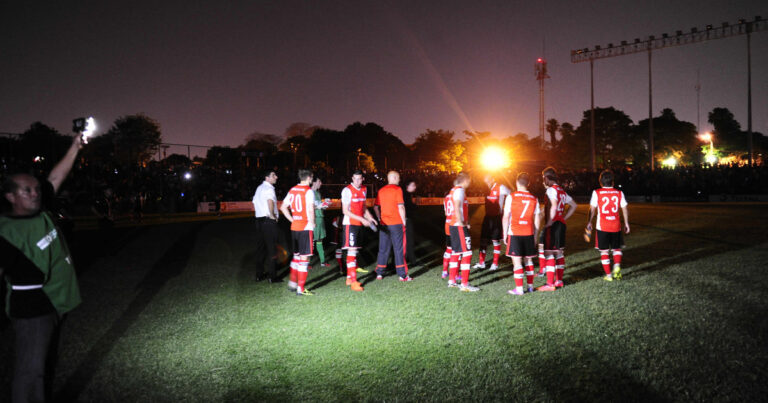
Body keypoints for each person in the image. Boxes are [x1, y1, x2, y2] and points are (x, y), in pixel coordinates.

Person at [0, 135, 82, 402]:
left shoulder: (38, 208)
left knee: (43, 364)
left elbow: (55, 179)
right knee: (30, 371)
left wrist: (75, 147)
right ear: (10, 196)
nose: (35, 194)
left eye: (36, 189)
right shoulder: (7, 232)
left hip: (55, 301)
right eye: (27, 191)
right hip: (33, 308)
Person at [585, 170, 630, 281]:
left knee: (604, 251)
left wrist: (589, 221)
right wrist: (627, 223)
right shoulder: (619, 193)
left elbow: (592, 209)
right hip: (616, 226)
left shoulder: (597, 192)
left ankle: (609, 275)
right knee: (617, 248)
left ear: (600, 182)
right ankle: (617, 267)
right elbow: (624, 208)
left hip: (602, 226)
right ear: (613, 182)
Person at [537, 167, 577, 292]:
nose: (543, 181)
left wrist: (550, 222)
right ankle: (559, 281)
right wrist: (563, 217)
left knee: (548, 253)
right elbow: (574, 205)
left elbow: (554, 205)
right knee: (559, 252)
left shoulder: (551, 190)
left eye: (543, 178)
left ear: (547, 178)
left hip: (553, 225)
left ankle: (549, 284)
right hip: (561, 224)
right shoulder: (561, 191)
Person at [502, 172, 542, 295]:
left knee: (517, 262)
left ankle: (519, 289)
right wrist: (535, 235)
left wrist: (504, 234)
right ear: (528, 183)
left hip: (515, 232)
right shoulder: (534, 199)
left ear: (516, 182)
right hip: (529, 232)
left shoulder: (511, 197)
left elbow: (506, 217)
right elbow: (537, 218)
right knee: (528, 261)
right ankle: (530, 286)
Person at [279, 170, 316, 296]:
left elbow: (283, 207)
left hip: (295, 227)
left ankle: (292, 283)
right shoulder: (308, 191)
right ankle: (301, 289)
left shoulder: (293, 189)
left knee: (296, 257)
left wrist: (292, 219)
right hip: (305, 227)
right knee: (304, 259)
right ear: (309, 178)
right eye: (312, 178)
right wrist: (312, 223)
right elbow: (310, 209)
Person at [340, 170, 376, 292]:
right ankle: (354, 282)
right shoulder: (347, 190)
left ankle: (349, 278)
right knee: (352, 250)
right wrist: (361, 218)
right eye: (355, 179)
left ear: (363, 179)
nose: (357, 181)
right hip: (350, 224)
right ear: (352, 178)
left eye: (359, 179)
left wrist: (370, 218)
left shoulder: (364, 189)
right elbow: (345, 211)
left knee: (353, 251)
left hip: (359, 224)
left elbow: (364, 207)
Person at [373, 171, 410, 281]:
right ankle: (402, 275)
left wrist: (380, 218)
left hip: (384, 224)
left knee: (383, 248)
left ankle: (379, 273)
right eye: (398, 178)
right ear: (394, 178)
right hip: (396, 223)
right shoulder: (397, 189)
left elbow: (375, 207)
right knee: (398, 249)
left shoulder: (381, 190)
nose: (399, 180)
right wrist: (404, 222)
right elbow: (401, 207)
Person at [447, 172, 479, 292]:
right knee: (467, 253)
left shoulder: (453, 190)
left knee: (456, 252)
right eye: (469, 181)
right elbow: (457, 206)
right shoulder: (460, 190)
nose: (470, 183)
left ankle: (452, 281)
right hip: (458, 225)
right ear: (466, 180)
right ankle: (464, 284)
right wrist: (461, 222)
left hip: (453, 225)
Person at [474, 174, 510, 271]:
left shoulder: (501, 187)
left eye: (488, 180)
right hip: (487, 217)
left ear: (493, 179)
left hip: (496, 218)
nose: (487, 182)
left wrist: (506, 209)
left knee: (495, 240)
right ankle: (481, 263)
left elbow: (511, 195)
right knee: (483, 239)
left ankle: (495, 263)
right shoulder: (486, 189)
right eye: (485, 181)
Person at [251, 169, 281, 283]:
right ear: (267, 178)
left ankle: (259, 275)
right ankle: (272, 277)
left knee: (261, 249)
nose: (276, 177)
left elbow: (254, 203)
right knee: (272, 249)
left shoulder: (259, 188)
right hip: (268, 221)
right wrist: (272, 215)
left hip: (259, 220)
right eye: (273, 175)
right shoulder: (269, 188)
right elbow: (270, 201)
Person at [310, 176, 331, 267]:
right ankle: (307, 263)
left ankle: (322, 261)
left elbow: (318, 205)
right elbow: (309, 207)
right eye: (319, 181)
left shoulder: (317, 193)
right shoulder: (309, 192)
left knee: (319, 239)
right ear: (313, 182)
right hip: (314, 218)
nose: (321, 183)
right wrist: (319, 206)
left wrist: (324, 205)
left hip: (320, 218)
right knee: (311, 240)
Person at [402, 179, 417, 268]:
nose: (415, 187)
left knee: (407, 241)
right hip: (406, 220)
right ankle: (412, 260)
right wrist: (415, 205)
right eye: (413, 185)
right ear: (408, 186)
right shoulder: (405, 195)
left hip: (406, 219)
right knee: (409, 240)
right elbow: (407, 208)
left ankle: (409, 259)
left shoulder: (407, 194)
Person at [440, 191, 453, 279]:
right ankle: (455, 274)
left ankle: (445, 271)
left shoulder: (446, 198)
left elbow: (446, 213)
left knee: (449, 249)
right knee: (457, 251)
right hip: (455, 224)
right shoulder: (456, 196)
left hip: (447, 224)